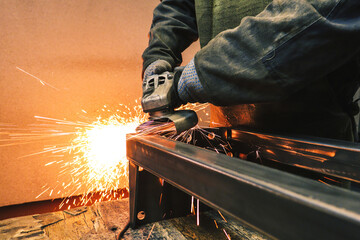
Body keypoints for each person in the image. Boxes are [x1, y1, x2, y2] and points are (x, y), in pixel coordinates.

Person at [142, 0, 360, 141]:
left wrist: (196, 78)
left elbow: (320, 14)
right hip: (228, 135)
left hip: (313, 147)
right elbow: (180, 5)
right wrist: (159, 53)